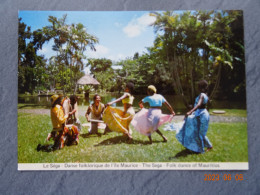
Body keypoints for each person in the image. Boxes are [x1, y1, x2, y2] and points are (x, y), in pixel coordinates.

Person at [176, 80, 213, 153]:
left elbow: (199, 104)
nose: (197, 88)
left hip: (202, 115)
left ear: (201, 87)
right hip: (201, 114)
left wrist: (190, 111)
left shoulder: (202, 95)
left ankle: (201, 149)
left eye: (198, 86)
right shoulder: (205, 95)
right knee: (197, 131)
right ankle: (206, 146)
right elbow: (208, 104)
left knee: (200, 133)